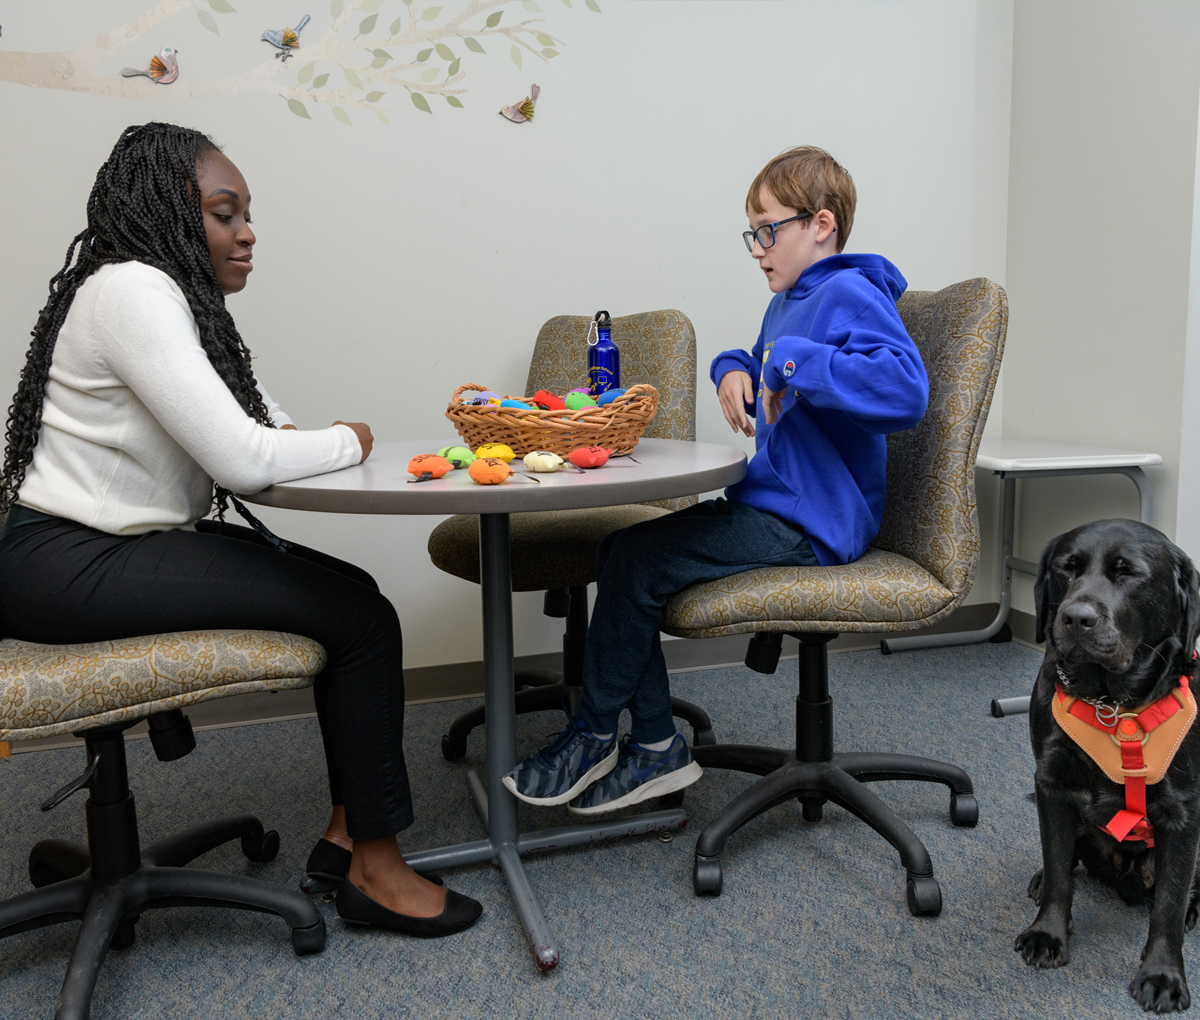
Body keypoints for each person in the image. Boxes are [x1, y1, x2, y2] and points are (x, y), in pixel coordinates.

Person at [0, 122, 481, 938]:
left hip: (94, 549)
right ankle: (375, 866)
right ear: (168, 215)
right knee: (363, 618)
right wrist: (351, 439)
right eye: (226, 214)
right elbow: (246, 460)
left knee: (350, 595)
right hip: (70, 561)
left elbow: (260, 426)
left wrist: (306, 439)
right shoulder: (133, 291)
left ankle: (346, 829)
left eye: (247, 214)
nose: (248, 232)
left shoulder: (172, 298)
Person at [504, 146, 929, 814]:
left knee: (636, 559)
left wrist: (791, 359)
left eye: (769, 230)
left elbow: (906, 390)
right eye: (751, 233)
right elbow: (761, 356)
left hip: (812, 523)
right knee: (619, 550)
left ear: (821, 225)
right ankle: (651, 747)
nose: (758, 248)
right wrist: (733, 365)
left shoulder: (848, 291)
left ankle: (597, 736)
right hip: (781, 508)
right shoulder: (793, 299)